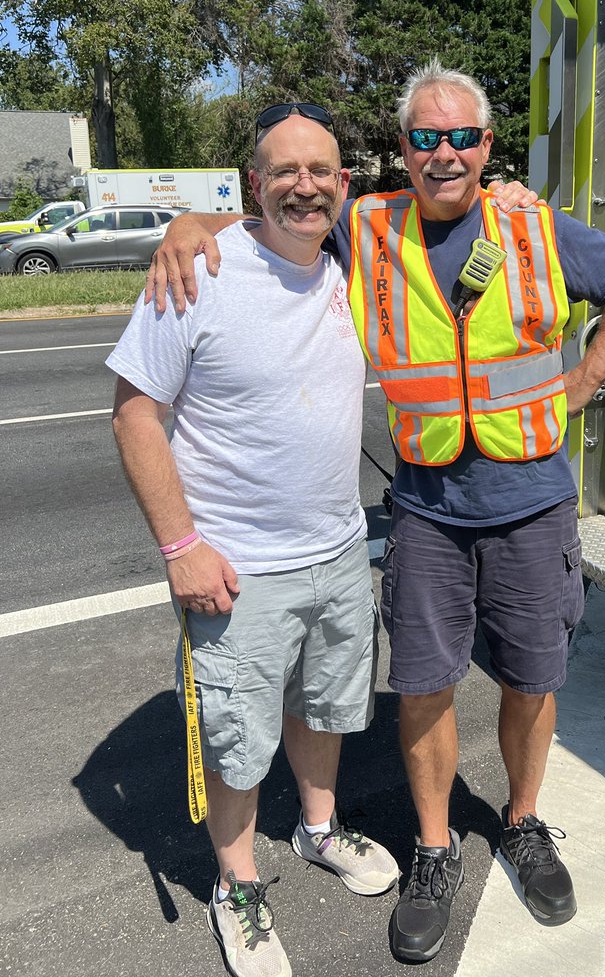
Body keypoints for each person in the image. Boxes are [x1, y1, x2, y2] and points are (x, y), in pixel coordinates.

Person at [152, 62, 605, 965]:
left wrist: (586, 378)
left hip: (533, 503)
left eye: (461, 136)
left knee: (530, 678)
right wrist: (191, 222)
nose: (444, 153)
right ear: (400, 151)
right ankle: (435, 849)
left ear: (485, 145)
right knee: (424, 685)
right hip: (429, 509)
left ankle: (522, 822)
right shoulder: (369, 224)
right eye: (424, 137)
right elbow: (280, 210)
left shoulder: (533, 226)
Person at [107, 105, 401, 977]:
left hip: (341, 549)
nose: (305, 186)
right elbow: (133, 415)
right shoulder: (199, 271)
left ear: (345, 186)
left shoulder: (350, 263)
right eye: (284, 171)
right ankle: (235, 884)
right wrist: (179, 548)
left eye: (322, 171)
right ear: (253, 185)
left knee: (325, 706)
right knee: (236, 735)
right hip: (236, 571)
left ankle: (317, 829)